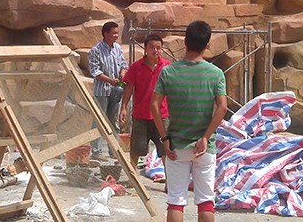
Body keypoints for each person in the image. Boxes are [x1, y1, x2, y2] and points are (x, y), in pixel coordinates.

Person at [151, 20, 227, 222]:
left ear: (185, 41)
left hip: (176, 146)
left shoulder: (168, 72)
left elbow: (154, 105)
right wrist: (205, 137)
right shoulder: (216, 74)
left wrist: (164, 138)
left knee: (176, 200)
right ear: (207, 44)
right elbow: (222, 107)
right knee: (206, 201)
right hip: (204, 147)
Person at [119, 34, 170, 168]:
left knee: (165, 149)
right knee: (136, 149)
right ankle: (133, 175)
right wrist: (123, 107)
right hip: (141, 115)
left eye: (158, 48)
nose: (155, 50)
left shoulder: (167, 67)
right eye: (152, 47)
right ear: (145, 48)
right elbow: (129, 88)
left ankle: (169, 179)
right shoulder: (136, 67)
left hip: (162, 116)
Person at [87, 21, 127, 160]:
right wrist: (110, 80)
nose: (116, 36)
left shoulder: (117, 48)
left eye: (117, 33)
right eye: (113, 33)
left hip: (116, 91)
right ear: (105, 34)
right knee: (99, 120)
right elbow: (95, 71)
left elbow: (123, 64)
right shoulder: (96, 50)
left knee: (113, 120)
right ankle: (96, 151)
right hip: (102, 91)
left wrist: (122, 73)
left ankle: (114, 150)